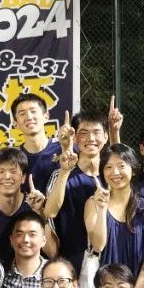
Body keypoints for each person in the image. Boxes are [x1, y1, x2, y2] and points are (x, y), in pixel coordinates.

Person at [86, 144, 144, 288]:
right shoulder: (93, 203)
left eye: (121, 166)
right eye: (108, 167)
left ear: (133, 169)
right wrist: (102, 209)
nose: (115, 172)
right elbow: (98, 246)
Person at [44, 110, 110, 271]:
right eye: (84, 133)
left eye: (97, 133)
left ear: (106, 137)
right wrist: (65, 171)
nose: (91, 138)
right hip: (71, 262)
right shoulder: (61, 174)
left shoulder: (112, 176)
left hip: (109, 260)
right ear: (74, 138)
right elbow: (50, 212)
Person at [0, 146, 45, 270]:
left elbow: (52, 252)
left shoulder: (35, 204)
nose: (7, 176)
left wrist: (40, 212)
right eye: (1, 171)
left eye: (13, 171)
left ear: (23, 177)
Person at [10, 92, 62, 196]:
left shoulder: (63, 148)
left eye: (33, 111)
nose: (29, 117)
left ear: (46, 116)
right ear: (15, 124)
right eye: (22, 114)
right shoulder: (12, 157)